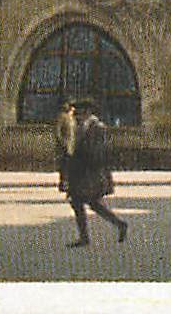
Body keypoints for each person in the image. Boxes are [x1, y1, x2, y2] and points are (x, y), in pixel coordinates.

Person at [65, 99, 128, 247]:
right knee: (87, 203)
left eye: (79, 113)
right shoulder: (81, 127)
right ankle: (118, 225)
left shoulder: (97, 128)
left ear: (87, 112)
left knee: (82, 202)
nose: (76, 116)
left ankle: (86, 236)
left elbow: (98, 152)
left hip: (91, 172)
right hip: (82, 171)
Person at [53, 99, 78, 193]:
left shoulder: (72, 118)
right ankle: (63, 183)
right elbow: (57, 131)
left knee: (70, 165)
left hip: (72, 145)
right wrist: (62, 142)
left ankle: (70, 182)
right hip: (65, 145)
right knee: (64, 165)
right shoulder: (62, 117)